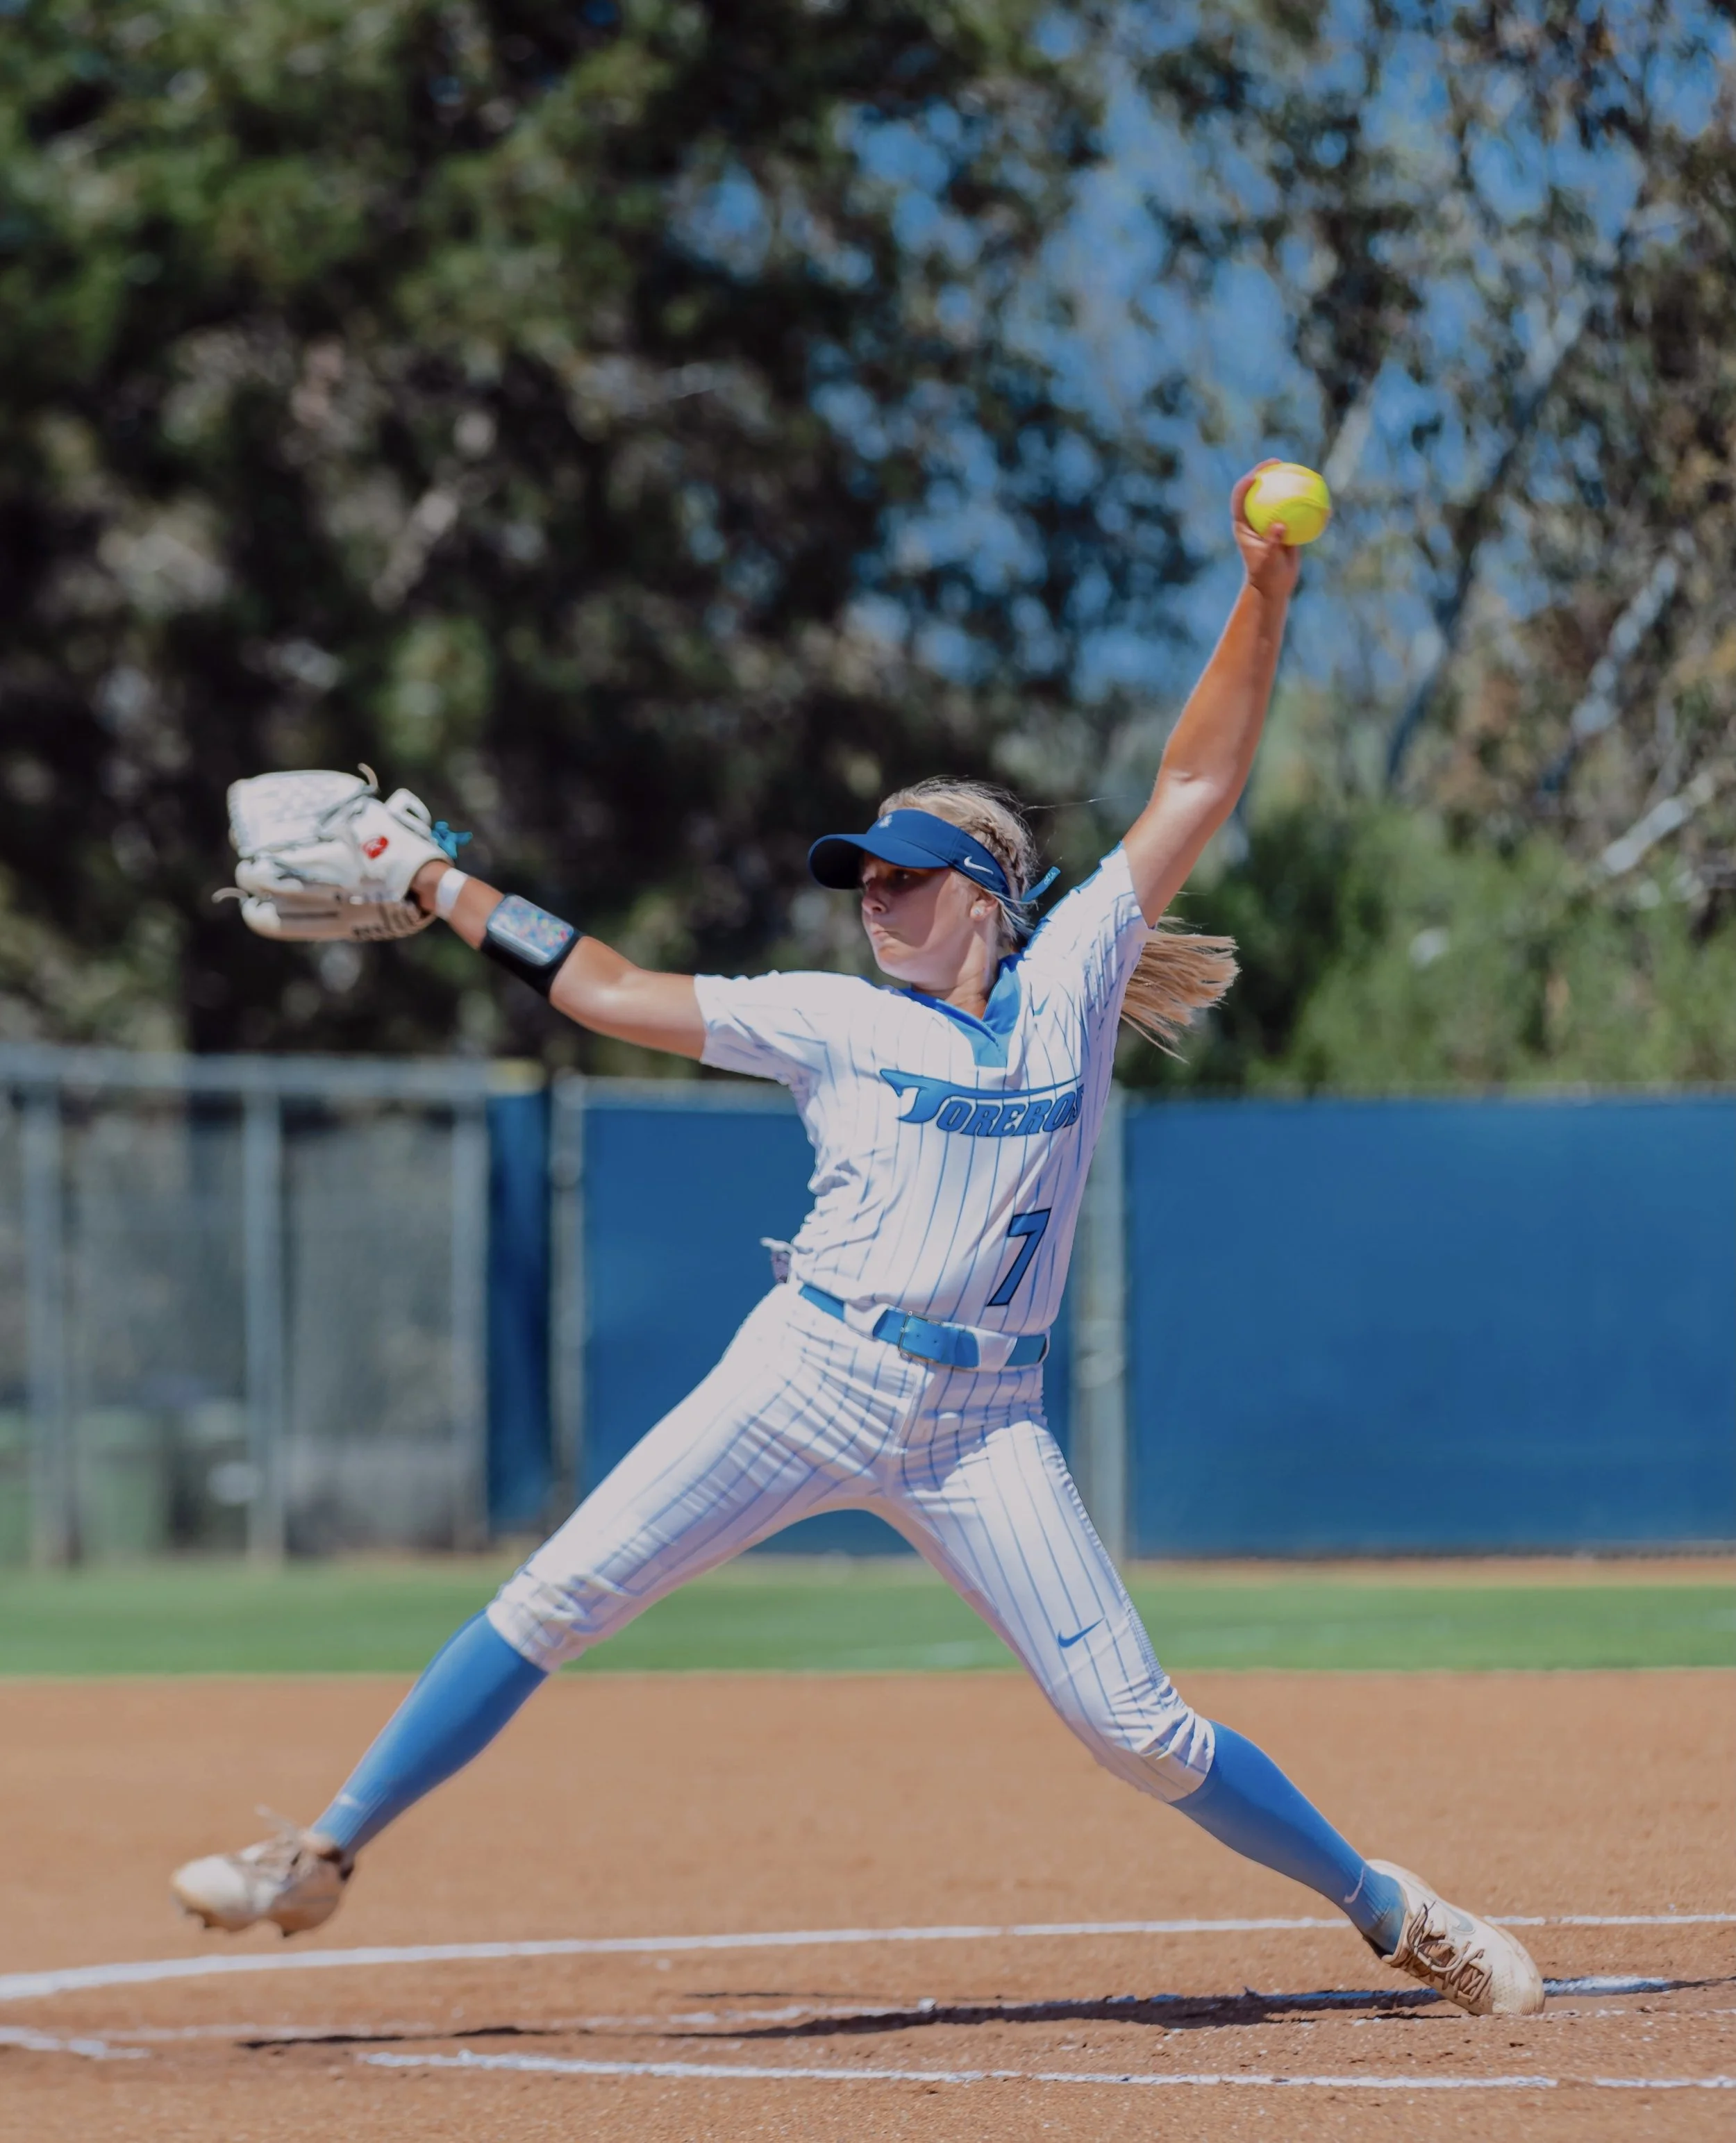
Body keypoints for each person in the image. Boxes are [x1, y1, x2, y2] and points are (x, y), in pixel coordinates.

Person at [173, 468, 1543, 2019]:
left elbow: (1192, 787)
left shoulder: (1074, 973)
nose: (872, 899)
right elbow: (609, 990)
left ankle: (1390, 1909)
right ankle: (324, 1851)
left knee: (1135, 1728)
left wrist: (1262, 592)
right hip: (806, 1371)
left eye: (900, 876)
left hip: (980, 1426)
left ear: (988, 898)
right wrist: (435, 881)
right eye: (860, 880)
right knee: (556, 1597)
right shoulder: (824, 1019)